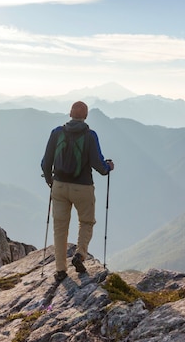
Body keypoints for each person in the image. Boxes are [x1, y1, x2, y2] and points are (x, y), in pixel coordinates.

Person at [41, 101, 114, 281]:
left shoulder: (56, 133)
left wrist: (51, 182)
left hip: (59, 186)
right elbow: (99, 165)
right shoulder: (90, 136)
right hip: (83, 187)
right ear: (86, 116)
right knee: (86, 222)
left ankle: (60, 270)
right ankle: (80, 255)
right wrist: (108, 167)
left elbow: (45, 163)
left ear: (70, 113)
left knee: (60, 228)